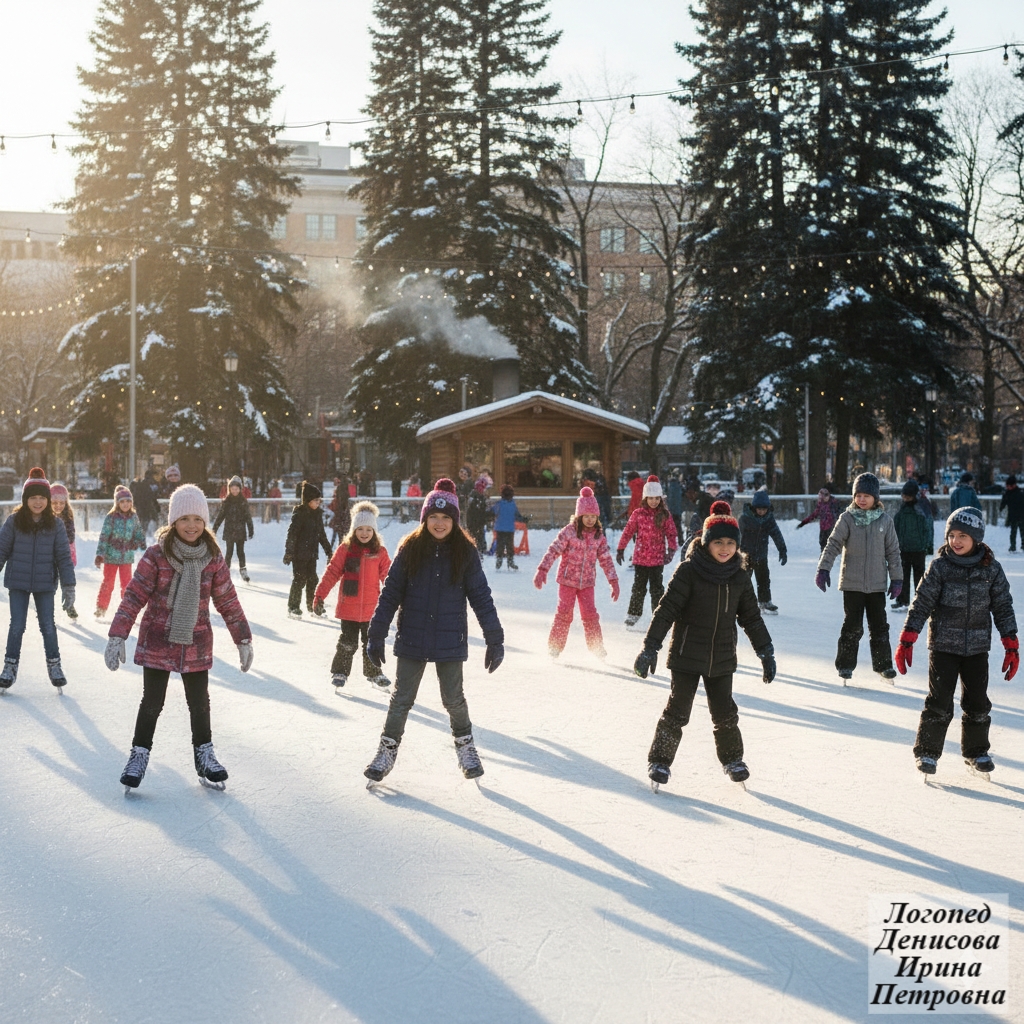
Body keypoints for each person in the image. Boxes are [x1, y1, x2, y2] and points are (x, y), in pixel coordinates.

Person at [103, 484, 253, 791]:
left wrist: (243, 638)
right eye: (184, 518)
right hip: (158, 640)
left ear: (205, 521)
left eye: (197, 519)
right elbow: (134, 596)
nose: (191, 525)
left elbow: (227, 600)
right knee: (151, 702)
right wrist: (118, 634)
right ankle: (138, 755)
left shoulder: (212, 557)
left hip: (196, 642)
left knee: (200, 703)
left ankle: (205, 756)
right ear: (173, 521)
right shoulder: (156, 555)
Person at [362, 478, 504, 783]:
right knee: (401, 698)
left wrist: (495, 638)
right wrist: (376, 634)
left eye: (446, 517)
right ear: (424, 518)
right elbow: (390, 594)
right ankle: (386, 752)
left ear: (455, 520)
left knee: (453, 699)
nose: (439, 523)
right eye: (434, 517)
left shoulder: (465, 552)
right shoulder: (410, 549)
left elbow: (481, 597)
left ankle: (466, 748)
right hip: (413, 636)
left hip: (449, 638)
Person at [633, 500, 775, 788]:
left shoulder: (739, 576)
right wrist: (650, 647)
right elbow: (666, 610)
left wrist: (765, 651)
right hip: (686, 654)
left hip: (721, 657)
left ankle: (733, 760)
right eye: (718, 542)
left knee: (725, 714)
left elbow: (751, 618)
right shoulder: (689, 571)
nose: (725, 548)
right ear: (706, 542)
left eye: (730, 543)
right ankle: (660, 761)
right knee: (677, 711)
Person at [895, 507, 1017, 776]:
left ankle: (976, 751)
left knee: (977, 703)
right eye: (952, 535)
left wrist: (1011, 642)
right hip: (943, 647)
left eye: (963, 536)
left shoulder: (991, 570)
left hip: (977, 648)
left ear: (977, 538)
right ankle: (927, 752)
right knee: (939, 702)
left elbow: (1003, 606)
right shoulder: (940, 567)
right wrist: (908, 638)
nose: (956, 541)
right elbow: (921, 603)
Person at [815, 473, 903, 683]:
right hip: (852, 584)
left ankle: (883, 665)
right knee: (852, 626)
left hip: (877, 585)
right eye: (858, 495)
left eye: (866, 496)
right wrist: (824, 568)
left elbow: (893, 552)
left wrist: (897, 579)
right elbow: (833, 544)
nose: (862, 499)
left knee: (879, 626)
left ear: (875, 497)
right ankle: (845, 665)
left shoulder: (885, 521)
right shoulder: (847, 518)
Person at [0, 469, 76, 690]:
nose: (38, 502)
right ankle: (9, 667)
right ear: (25, 499)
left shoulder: (56, 524)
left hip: (45, 584)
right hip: (18, 582)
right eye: (33, 497)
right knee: (17, 625)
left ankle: (55, 665)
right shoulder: (14, 521)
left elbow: (63, 557)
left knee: (48, 625)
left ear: (48, 500)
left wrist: (69, 586)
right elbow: (1, 550)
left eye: (42, 497)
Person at [314, 501, 392, 691]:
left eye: (368, 529)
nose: (364, 533)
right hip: (348, 607)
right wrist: (320, 595)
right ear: (354, 530)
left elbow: (390, 578)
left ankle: (374, 673)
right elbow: (332, 572)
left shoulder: (379, 552)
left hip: (371, 609)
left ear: (374, 531)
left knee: (371, 643)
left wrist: (400, 598)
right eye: (360, 529)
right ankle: (340, 672)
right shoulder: (346, 549)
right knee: (347, 643)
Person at [534, 486, 619, 658]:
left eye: (593, 516)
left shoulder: (598, 536)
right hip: (567, 581)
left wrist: (613, 581)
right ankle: (555, 647)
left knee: (590, 614)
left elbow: (606, 560)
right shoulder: (569, 532)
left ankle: (596, 646)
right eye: (586, 516)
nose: (590, 520)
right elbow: (554, 550)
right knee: (564, 613)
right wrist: (543, 569)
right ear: (579, 516)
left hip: (587, 583)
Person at [617, 475, 677, 628]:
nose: (653, 501)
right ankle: (634, 614)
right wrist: (621, 548)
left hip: (657, 559)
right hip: (641, 558)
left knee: (657, 589)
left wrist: (671, 550)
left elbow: (671, 533)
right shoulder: (638, 514)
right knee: (639, 587)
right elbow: (628, 531)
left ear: (660, 499)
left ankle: (658, 615)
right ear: (645, 498)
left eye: (656, 498)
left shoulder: (664, 515)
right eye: (650, 498)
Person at [94, 485, 148, 619]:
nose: (125, 504)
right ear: (117, 503)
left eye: (128, 501)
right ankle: (101, 607)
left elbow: (138, 532)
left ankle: (127, 608)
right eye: (122, 501)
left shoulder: (133, 517)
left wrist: (140, 541)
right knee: (108, 583)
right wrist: (100, 554)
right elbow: (104, 536)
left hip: (126, 557)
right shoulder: (111, 517)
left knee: (127, 584)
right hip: (111, 556)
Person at [284, 481, 332, 618]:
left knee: (313, 580)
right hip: (299, 555)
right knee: (299, 580)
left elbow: (322, 535)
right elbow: (292, 534)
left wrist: (329, 551)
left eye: (319, 500)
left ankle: (313, 607)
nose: (318, 503)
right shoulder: (299, 514)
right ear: (308, 500)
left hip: (311, 554)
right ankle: (293, 607)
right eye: (316, 500)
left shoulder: (317, 515)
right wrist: (289, 552)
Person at [739, 489, 787, 614]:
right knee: (744, 580)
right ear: (754, 507)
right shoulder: (745, 518)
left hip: (761, 555)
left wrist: (782, 550)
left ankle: (765, 601)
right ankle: (740, 602)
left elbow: (776, 534)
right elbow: (738, 535)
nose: (761, 511)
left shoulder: (768, 519)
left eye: (764, 509)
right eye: (759, 509)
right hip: (746, 555)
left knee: (764, 579)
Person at [891, 479, 933, 610]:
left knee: (919, 576)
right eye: (904, 496)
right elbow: (896, 528)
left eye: (907, 496)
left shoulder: (921, 509)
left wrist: (928, 545)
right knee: (902, 575)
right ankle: (902, 600)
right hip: (903, 548)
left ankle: (920, 601)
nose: (905, 498)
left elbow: (928, 527)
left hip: (918, 549)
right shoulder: (902, 510)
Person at [212, 475, 254, 582]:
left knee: (241, 552)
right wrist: (215, 528)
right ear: (229, 489)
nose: (235, 491)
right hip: (229, 531)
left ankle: (243, 570)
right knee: (229, 552)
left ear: (240, 489)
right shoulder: (226, 502)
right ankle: (225, 572)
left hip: (240, 531)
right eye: (233, 489)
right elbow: (220, 516)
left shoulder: (243, 502)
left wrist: (251, 529)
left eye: (236, 489)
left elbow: (248, 516)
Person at [49, 483, 78, 619]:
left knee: (68, 584)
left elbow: (71, 537)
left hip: (65, 557)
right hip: (49, 558)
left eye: (62, 503)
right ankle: (46, 607)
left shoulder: (68, 518)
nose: (58, 506)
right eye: (54, 502)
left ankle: (70, 605)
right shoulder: (46, 518)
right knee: (50, 584)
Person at [797, 487, 843, 551]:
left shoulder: (833, 503)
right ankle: (823, 555)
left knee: (830, 545)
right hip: (823, 528)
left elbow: (839, 515)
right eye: (824, 496)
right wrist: (803, 522)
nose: (826, 498)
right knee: (823, 544)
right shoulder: (821, 504)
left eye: (827, 495)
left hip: (831, 528)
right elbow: (813, 515)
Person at [491, 484, 522, 570]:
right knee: (509, 546)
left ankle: (499, 560)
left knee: (500, 545)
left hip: (500, 528)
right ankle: (510, 561)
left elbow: (492, 511)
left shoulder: (499, 504)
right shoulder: (513, 504)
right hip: (509, 529)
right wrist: (524, 519)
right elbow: (517, 515)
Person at [1000, 474, 1024, 552]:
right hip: (1013, 515)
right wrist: (1001, 507)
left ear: (1013, 485)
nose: (1007, 487)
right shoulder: (1007, 493)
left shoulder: (1020, 493)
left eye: (1009, 486)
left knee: (1022, 531)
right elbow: (1004, 502)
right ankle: (1012, 546)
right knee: (1013, 531)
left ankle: (1022, 545)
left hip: (1021, 515)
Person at [466, 479, 491, 553]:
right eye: (485, 488)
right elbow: (474, 510)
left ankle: (481, 548)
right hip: (474, 521)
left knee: (480, 535)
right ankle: (474, 549)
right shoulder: (474, 497)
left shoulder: (482, 497)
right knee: (474, 534)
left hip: (480, 521)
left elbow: (485, 510)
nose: (485, 491)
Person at [327, 477, 351, 549]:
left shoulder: (339, 490)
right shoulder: (345, 491)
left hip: (339, 516)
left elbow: (335, 504)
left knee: (338, 536)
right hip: (344, 516)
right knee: (343, 535)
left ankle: (337, 549)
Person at [665, 470, 684, 545]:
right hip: (677, 510)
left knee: (671, 527)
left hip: (672, 510)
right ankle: (680, 541)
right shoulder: (677, 486)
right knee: (678, 526)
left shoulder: (671, 486)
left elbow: (669, 498)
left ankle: (672, 541)